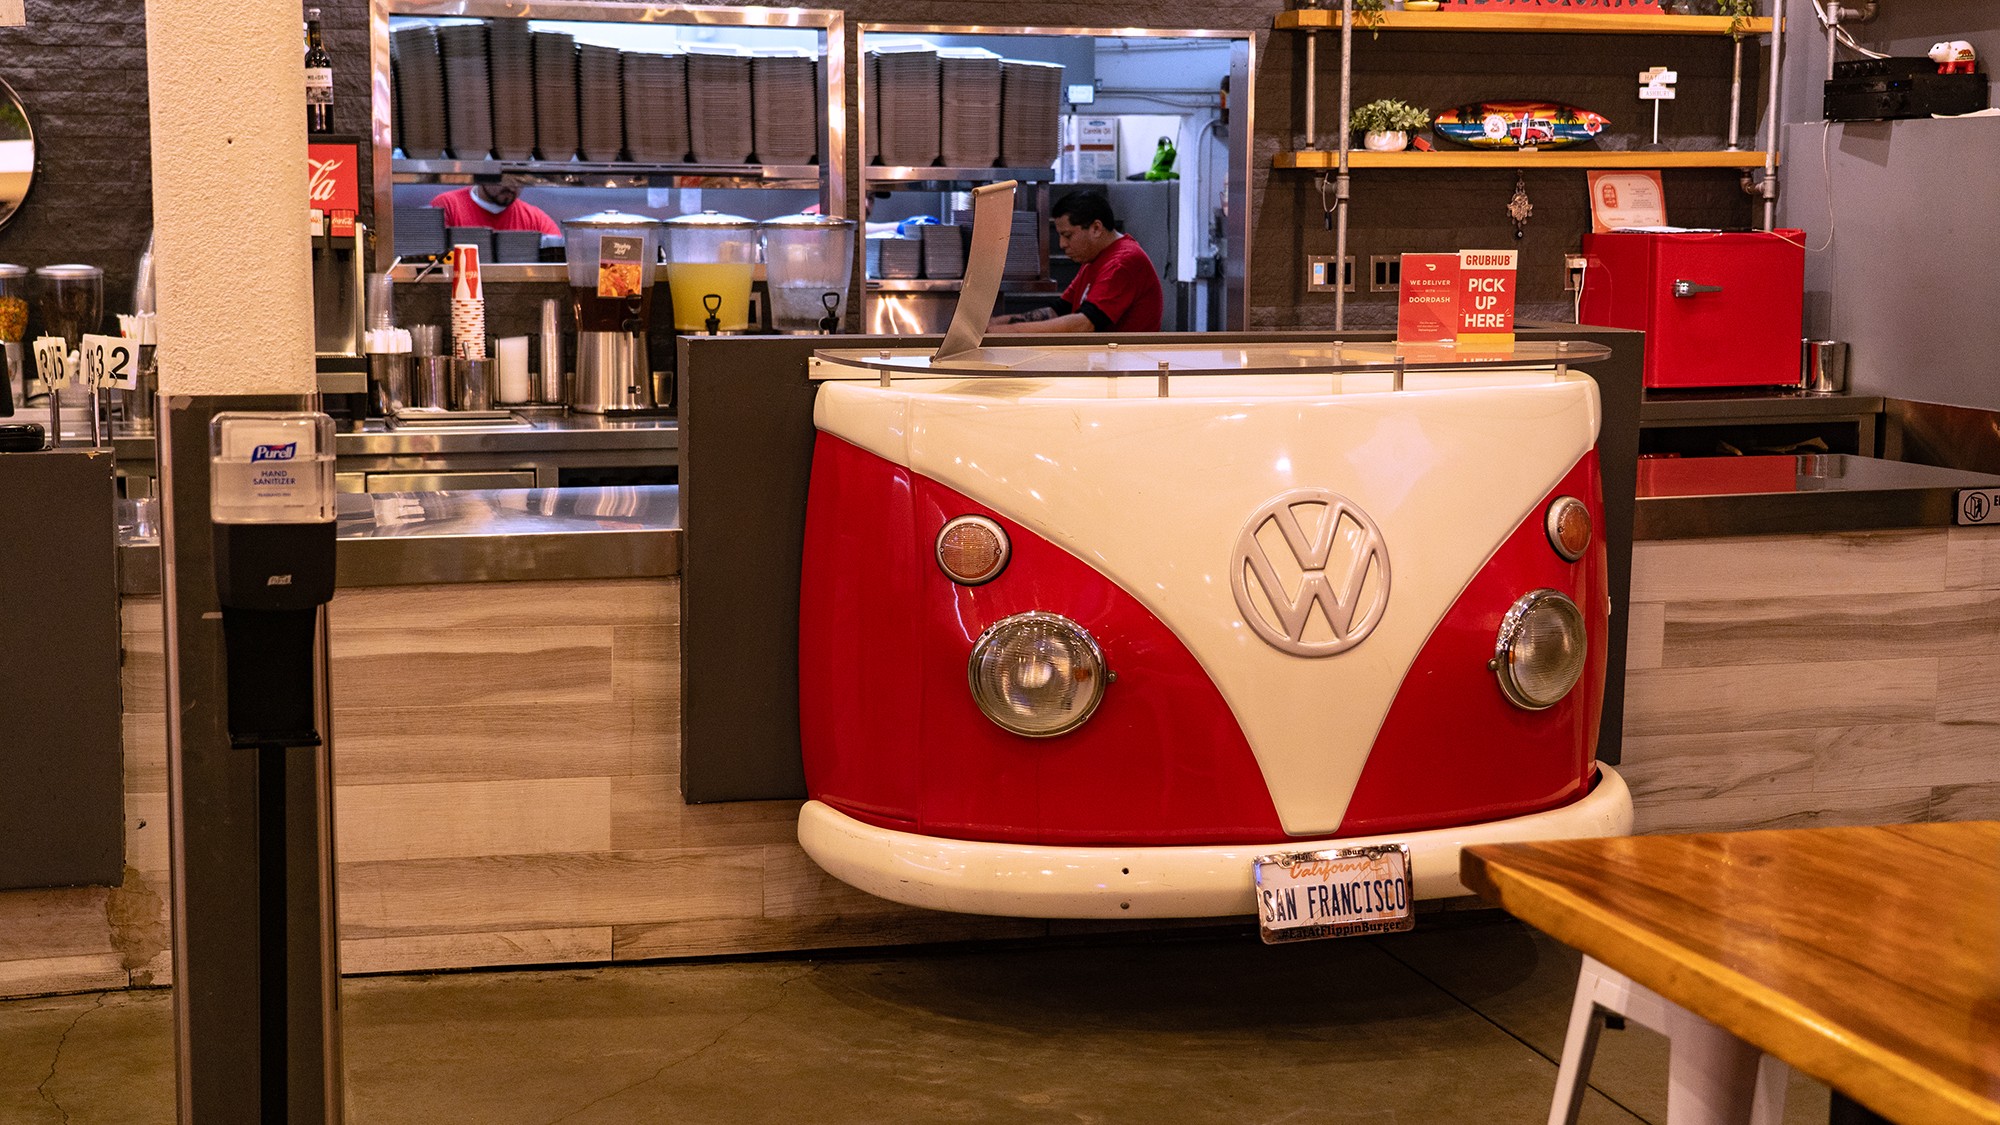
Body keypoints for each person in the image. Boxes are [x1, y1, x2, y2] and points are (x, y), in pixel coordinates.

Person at [989, 190, 1162, 334]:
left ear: (1096, 228)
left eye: (1068, 235)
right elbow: (1058, 310)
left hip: (1125, 368)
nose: (1062, 244)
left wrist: (1006, 332)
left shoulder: (1122, 262)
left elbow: (1083, 324)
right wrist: (994, 324)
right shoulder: (1093, 260)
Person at [429, 174, 561, 236]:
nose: (512, 187)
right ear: (484, 176)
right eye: (504, 179)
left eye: (520, 181)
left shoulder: (535, 219)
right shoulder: (447, 205)